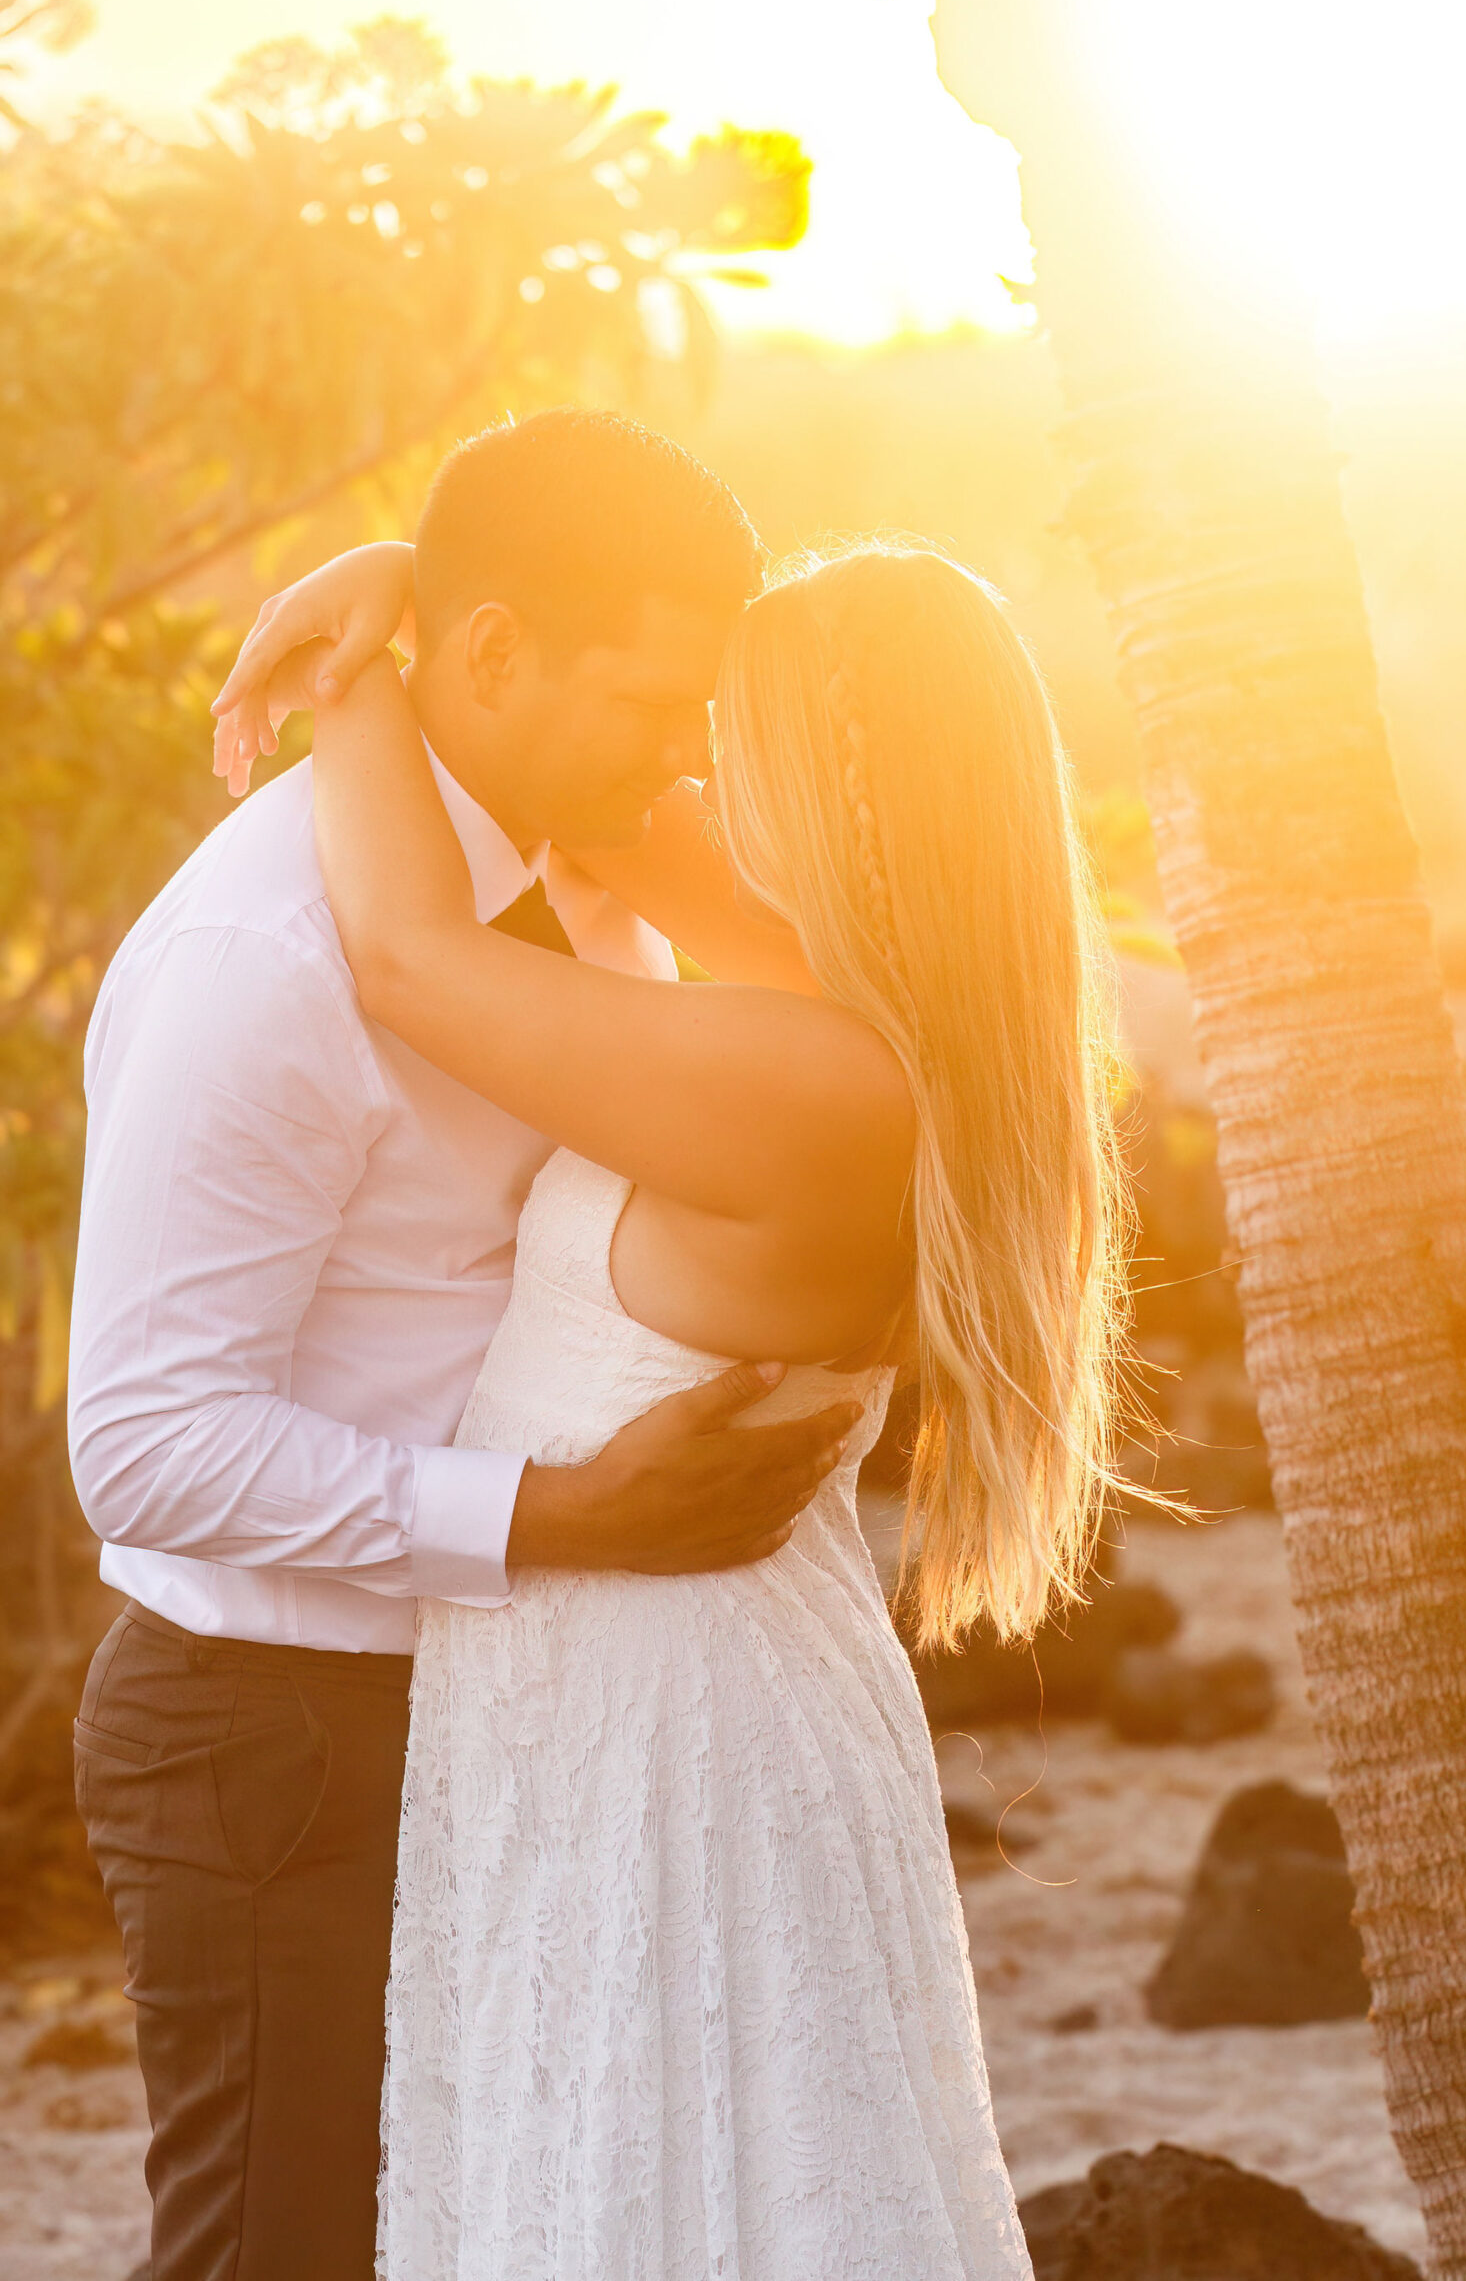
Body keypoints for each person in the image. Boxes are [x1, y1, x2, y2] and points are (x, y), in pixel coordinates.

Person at [211, 504, 1130, 2279]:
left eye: (721, 754)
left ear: (827, 815)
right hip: (657, 1687)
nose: (676, 781)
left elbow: (410, 955)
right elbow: (585, 879)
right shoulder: (832, 1030)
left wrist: (372, 659)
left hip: (672, 1722)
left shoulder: (821, 1086)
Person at [68, 411, 861, 2281]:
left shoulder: (598, 859)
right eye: (653, 704)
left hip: (515, 1716)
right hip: (282, 1739)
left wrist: (392, 598)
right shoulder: (268, 959)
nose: (688, 758)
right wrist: (560, 1518)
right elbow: (151, 1445)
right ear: (493, 659)